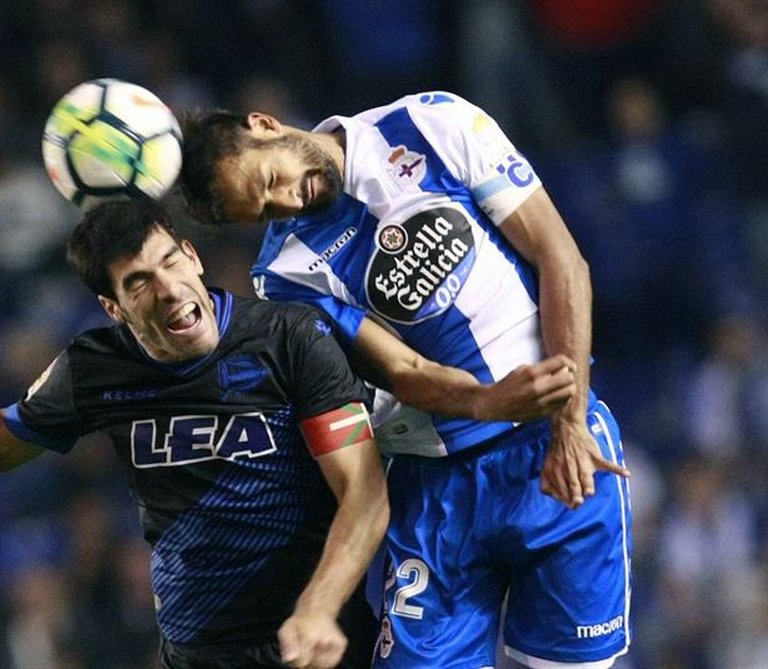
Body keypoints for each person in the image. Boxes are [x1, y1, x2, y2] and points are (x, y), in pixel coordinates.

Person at [0, 199, 390, 669]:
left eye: (170, 262)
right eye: (138, 282)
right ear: (114, 309)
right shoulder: (96, 368)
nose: (168, 289)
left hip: (318, 640)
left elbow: (363, 494)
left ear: (193, 257)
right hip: (198, 652)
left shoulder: (288, 337)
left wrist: (319, 606)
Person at [179, 91, 633, 668]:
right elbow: (402, 371)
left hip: (554, 442)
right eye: (267, 211)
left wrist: (569, 422)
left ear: (265, 125)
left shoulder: (432, 121)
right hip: (434, 486)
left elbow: (559, 256)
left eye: (272, 179)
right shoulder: (285, 274)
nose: (288, 201)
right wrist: (489, 401)